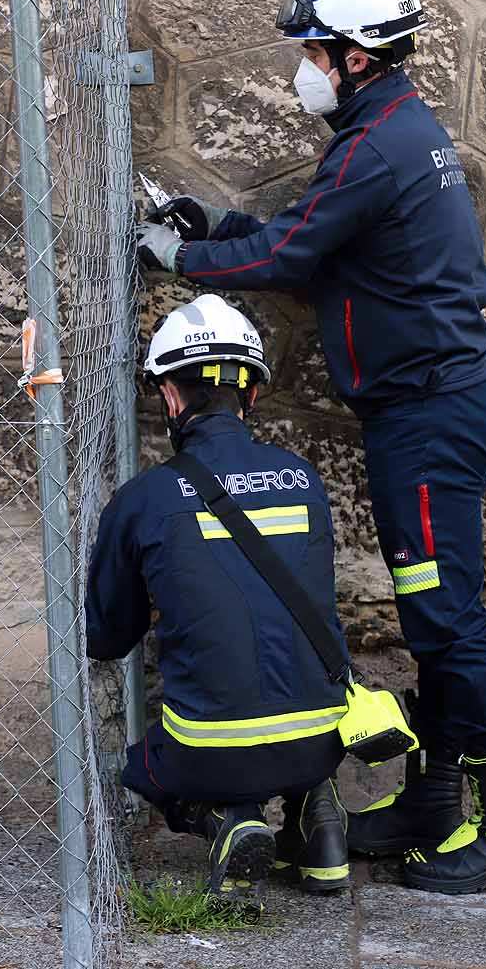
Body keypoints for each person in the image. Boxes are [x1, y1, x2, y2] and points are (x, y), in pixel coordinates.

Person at [133, 0, 486, 895]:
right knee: (434, 613)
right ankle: (436, 800)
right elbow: (311, 234)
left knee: (448, 620)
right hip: (430, 408)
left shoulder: (378, 146)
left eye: (313, 50)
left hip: (428, 415)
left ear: (356, 56)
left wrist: (181, 256)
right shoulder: (385, 132)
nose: (304, 67)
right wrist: (208, 224)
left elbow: (291, 253)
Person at [85, 293, 353, 901]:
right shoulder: (303, 480)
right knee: (284, 707)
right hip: (322, 741)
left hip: (211, 756)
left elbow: (103, 638)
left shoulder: (143, 499)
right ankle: (320, 821)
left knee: (143, 765)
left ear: (171, 397)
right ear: (252, 395)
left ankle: (230, 819)